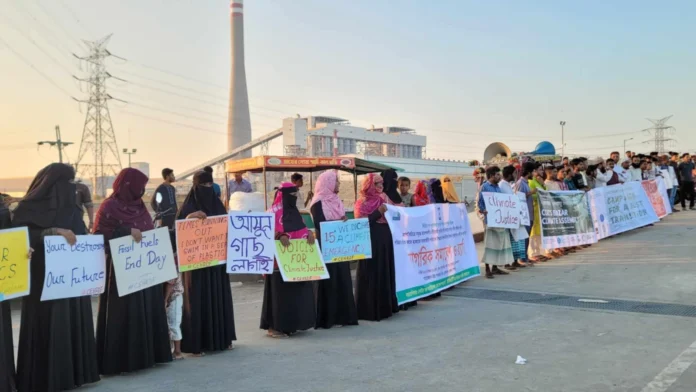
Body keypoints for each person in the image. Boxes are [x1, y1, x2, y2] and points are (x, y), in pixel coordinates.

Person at [12, 163, 100, 391]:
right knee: (51, 322)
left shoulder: (71, 206)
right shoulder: (29, 206)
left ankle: (74, 374)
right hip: (44, 279)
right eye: (65, 183)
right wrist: (51, 232)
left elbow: (80, 233)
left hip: (71, 279)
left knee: (72, 321)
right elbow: (18, 236)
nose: (69, 188)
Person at [94, 168, 172, 375]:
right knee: (125, 314)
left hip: (144, 270)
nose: (142, 190)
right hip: (122, 272)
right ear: (128, 185)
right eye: (140, 185)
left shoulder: (140, 206)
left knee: (145, 310)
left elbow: (147, 229)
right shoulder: (109, 207)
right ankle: (122, 360)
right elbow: (99, 235)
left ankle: (148, 355)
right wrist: (126, 233)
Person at [178, 170, 236, 353]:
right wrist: (190, 220)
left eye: (211, 185)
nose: (208, 189)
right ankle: (197, 344)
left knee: (218, 297)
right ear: (196, 186)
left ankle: (222, 339)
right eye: (204, 186)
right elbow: (178, 234)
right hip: (196, 267)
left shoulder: (218, 207)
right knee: (197, 299)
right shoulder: (187, 208)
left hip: (217, 264)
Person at [261, 182, 316, 338]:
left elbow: (302, 229)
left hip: (296, 262)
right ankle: (275, 327)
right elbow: (264, 232)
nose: (294, 197)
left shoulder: (295, 212)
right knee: (279, 296)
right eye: (292, 195)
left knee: (295, 294)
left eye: (296, 194)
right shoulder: (272, 212)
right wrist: (279, 235)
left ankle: (292, 325)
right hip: (278, 263)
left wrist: (309, 234)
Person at [310, 171, 358, 329]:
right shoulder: (318, 202)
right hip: (327, 248)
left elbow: (339, 220)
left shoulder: (336, 200)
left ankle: (343, 316)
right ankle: (329, 318)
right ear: (328, 183)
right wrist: (337, 223)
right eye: (336, 182)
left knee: (342, 280)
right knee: (329, 282)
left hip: (340, 248)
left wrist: (343, 220)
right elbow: (320, 225)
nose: (338, 184)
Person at [354, 173, 399, 321]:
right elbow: (360, 224)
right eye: (377, 184)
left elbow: (396, 215)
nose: (381, 186)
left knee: (383, 271)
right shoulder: (361, 202)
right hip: (370, 241)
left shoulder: (384, 198)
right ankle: (368, 310)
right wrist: (377, 213)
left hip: (385, 240)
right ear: (369, 185)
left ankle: (385, 308)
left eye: (381, 183)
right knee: (371, 272)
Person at [478, 166, 513, 278]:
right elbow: (480, 203)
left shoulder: (498, 188)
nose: (500, 176)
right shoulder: (485, 187)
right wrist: (484, 211)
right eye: (497, 174)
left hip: (499, 220)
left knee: (499, 244)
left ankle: (495, 268)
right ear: (492, 175)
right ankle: (487, 269)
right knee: (489, 244)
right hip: (490, 221)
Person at [501, 165, 527, 270]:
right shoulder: (502, 185)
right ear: (509, 174)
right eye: (514, 173)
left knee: (516, 240)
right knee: (508, 241)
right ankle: (507, 263)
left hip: (513, 217)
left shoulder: (508, 185)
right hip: (507, 218)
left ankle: (514, 261)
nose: (516, 175)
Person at [514, 162, 536, 266]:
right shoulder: (520, 183)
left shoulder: (526, 183)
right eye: (533, 171)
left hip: (529, 214)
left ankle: (525, 257)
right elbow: (518, 198)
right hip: (524, 216)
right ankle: (522, 258)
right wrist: (531, 193)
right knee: (524, 237)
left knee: (527, 237)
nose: (534, 173)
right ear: (528, 172)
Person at [164, 259, 184, 360]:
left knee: (174, 325)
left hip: (174, 297)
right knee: (172, 325)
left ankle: (177, 352)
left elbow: (170, 284)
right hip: (174, 297)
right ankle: (173, 350)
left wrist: (165, 300)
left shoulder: (172, 264)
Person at [528, 163, 548, 262]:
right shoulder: (531, 182)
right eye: (540, 170)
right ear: (534, 171)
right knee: (533, 233)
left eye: (542, 170)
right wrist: (540, 195)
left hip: (540, 210)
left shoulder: (539, 181)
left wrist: (543, 184)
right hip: (534, 209)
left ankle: (539, 252)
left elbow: (546, 193)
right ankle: (533, 253)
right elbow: (531, 196)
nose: (542, 172)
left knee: (539, 232)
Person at [150, 168, 178, 232]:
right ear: (167, 176)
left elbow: (174, 202)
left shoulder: (172, 188)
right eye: (172, 175)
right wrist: (160, 213)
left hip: (174, 217)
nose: (174, 177)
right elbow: (153, 202)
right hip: (165, 218)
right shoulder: (160, 189)